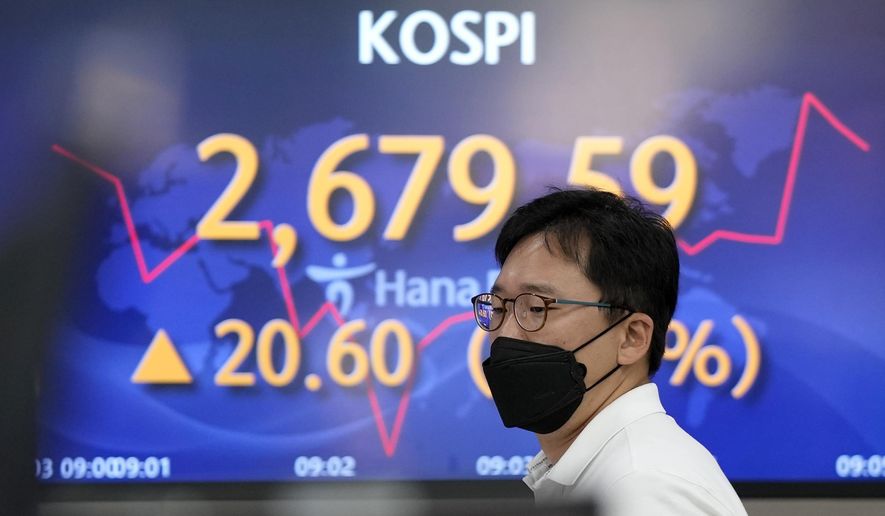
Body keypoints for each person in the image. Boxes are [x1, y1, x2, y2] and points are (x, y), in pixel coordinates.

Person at [471, 188, 747, 515]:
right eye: (499, 306)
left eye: (535, 308)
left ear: (631, 337)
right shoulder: (600, 473)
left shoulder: (644, 489)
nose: (505, 333)